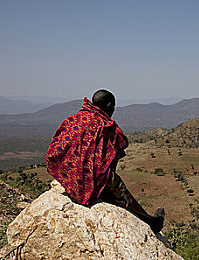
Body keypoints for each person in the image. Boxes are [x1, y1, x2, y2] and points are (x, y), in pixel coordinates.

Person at [46, 89, 164, 233]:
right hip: (90, 175)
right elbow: (112, 152)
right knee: (119, 189)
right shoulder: (104, 125)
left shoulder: (75, 118)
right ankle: (152, 222)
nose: (113, 110)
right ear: (108, 105)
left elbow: (57, 147)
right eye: (113, 106)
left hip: (70, 175)